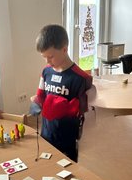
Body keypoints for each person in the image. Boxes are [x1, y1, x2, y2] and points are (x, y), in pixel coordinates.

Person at [31, 24, 93, 162]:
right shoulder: (46, 72)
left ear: (64, 50)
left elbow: (86, 115)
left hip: (67, 139)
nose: (47, 61)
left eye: (51, 56)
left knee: (67, 173)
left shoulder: (81, 78)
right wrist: (36, 103)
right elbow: (40, 95)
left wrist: (69, 109)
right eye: (44, 57)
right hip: (46, 134)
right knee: (47, 168)